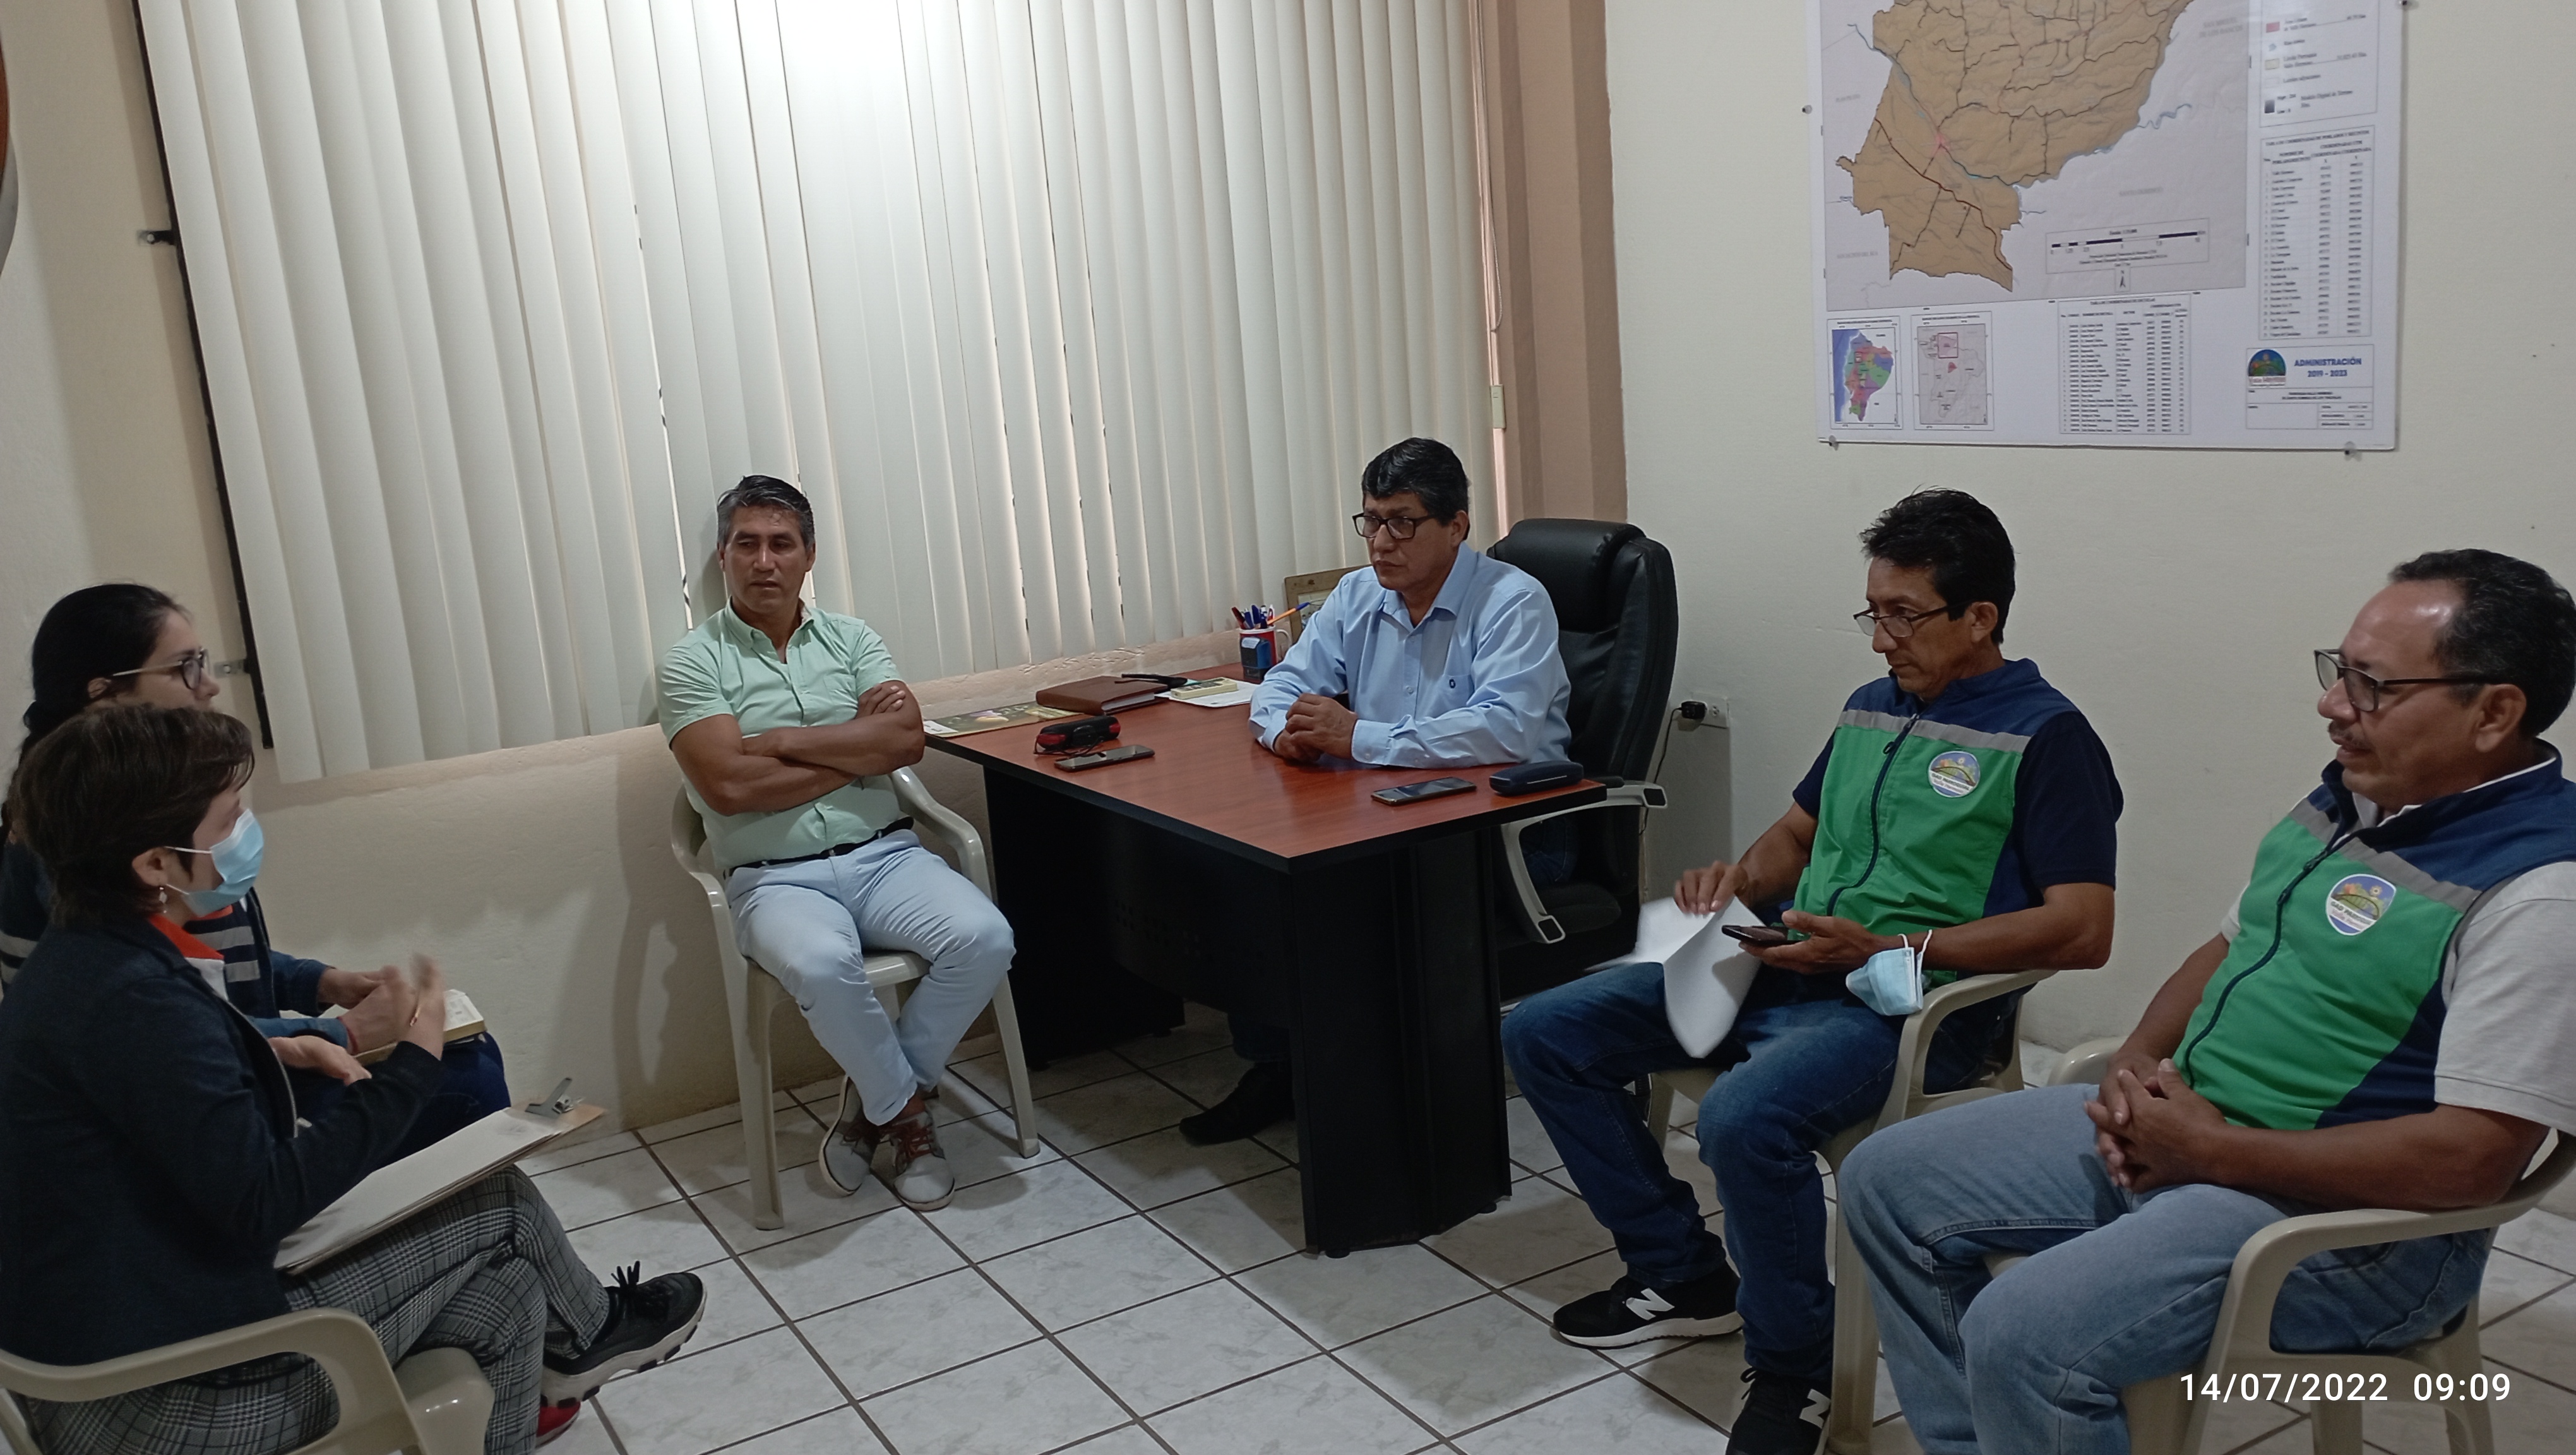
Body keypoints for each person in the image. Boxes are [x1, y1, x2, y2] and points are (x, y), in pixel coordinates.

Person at [1840, 549, 2576, 1455]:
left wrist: (2214, 1153)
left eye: (2373, 686)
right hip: (2202, 1134)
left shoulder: (2542, 892)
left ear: (2494, 712)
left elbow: (2471, 1164)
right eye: (2338, 670)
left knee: (2025, 1332)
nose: (2333, 704)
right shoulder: (2359, 796)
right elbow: (2230, 945)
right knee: (1886, 1180)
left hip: (2352, 1233)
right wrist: (2132, 1072)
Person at [1501, 489, 2122, 1455]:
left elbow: (2083, 929)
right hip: (1785, 959)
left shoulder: (2048, 737)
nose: (1881, 639)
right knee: (1541, 1031)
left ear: (1980, 616)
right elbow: (1796, 835)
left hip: (1904, 1003)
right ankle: (1683, 1273)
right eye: (1873, 611)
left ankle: (1796, 1366)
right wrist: (1735, 883)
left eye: (1904, 616)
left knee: (1744, 1120)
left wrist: (1888, 949)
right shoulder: (1873, 708)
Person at [0, 705, 703, 1455]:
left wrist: (273, 1050)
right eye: (228, 820)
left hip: (112, 1353)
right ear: (154, 865)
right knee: (501, 1206)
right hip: (162, 1405)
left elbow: (166, 1107)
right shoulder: (135, 999)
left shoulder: (81, 964)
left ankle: (573, 1345)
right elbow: (264, 1200)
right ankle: (591, 1334)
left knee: (508, 1296)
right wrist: (411, 1066)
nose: (244, 833)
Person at [0, 584, 510, 1159]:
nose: (210, 685)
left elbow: (203, 958)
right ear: (104, 693)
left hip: (232, 1061)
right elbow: (156, 1028)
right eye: (185, 667)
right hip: (195, 1101)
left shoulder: (137, 808)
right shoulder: (82, 841)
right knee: (467, 1081)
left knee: (473, 1053)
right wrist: (344, 1034)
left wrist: (318, 982)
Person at [1181, 436, 1574, 1145]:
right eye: (1371, 520)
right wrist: (1284, 734)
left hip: (1507, 830)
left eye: (1403, 522)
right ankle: (1279, 1068)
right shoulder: (1358, 595)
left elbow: (1506, 731)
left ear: (1456, 525)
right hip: (1382, 812)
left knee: (1327, 895)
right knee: (1245, 868)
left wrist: (1357, 737)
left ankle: (1372, 1096)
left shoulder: (1512, 602)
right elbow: (1283, 684)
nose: (1381, 542)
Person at [660, 474, 1013, 1211]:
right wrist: (855, 747)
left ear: (809, 555)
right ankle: (908, 1117)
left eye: (781, 544)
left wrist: (781, 742)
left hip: (886, 857)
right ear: (723, 556)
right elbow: (728, 787)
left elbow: (905, 741)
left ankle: (871, 1101)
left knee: (986, 937)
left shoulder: (853, 639)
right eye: (746, 545)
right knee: (823, 965)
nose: (764, 562)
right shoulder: (692, 662)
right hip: (774, 878)